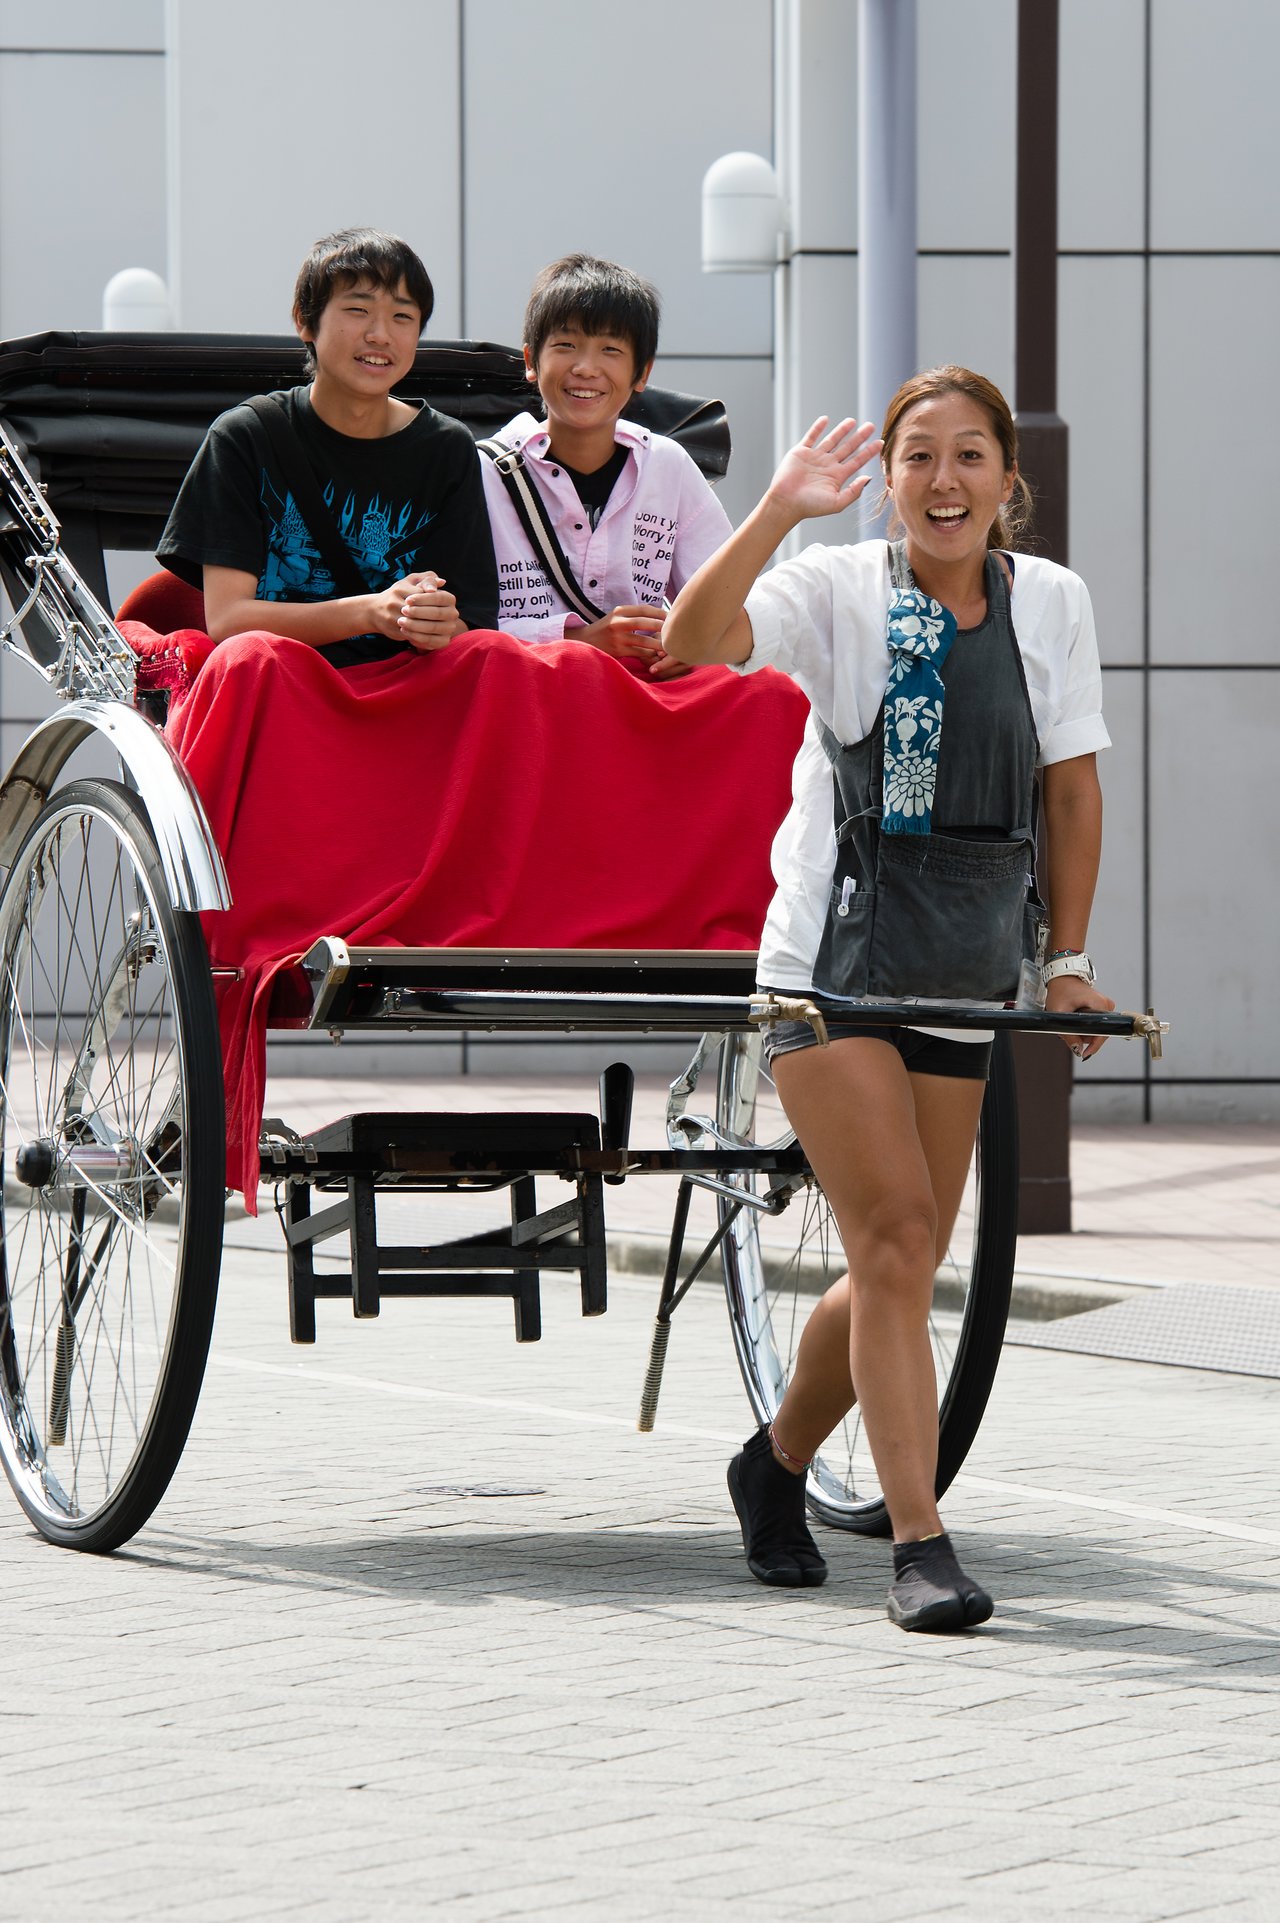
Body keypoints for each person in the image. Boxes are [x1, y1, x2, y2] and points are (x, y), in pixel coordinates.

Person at [664, 367, 1115, 1632]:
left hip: (962, 967)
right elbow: (693, 644)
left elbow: (1069, 791)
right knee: (902, 1239)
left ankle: (773, 1465)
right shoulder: (835, 589)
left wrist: (1065, 958)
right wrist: (774, 512)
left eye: (969, 456)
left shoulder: (1051, 604)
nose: (941, 479)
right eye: (916, 456)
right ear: (889, 480)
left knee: (892, 1262)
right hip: (827, 965)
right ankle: (918, 1546)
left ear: (1005, 482)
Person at [159, 227, 498, 666]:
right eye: (358, 309)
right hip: (279, 681)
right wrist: (370, 612)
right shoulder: (245, 437)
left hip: (403, 688)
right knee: (243, 657)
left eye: (402, 317)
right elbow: (227, 621)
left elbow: (469, 623)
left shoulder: (448, 447)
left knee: (499, 656)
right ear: (304, 320)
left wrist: (433, 622)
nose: (380, 335)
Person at [479, 253, 732, 679]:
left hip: (645, 695)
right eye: (566, 345)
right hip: (522, 693)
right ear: (530, 360)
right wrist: (577, 643)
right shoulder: (482, 472)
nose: (586, 368)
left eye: (610, 349)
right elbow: (457, 627)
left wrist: (695, 643)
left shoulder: (667, 465)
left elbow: (726, 606)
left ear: (642, 372)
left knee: (769, 692)